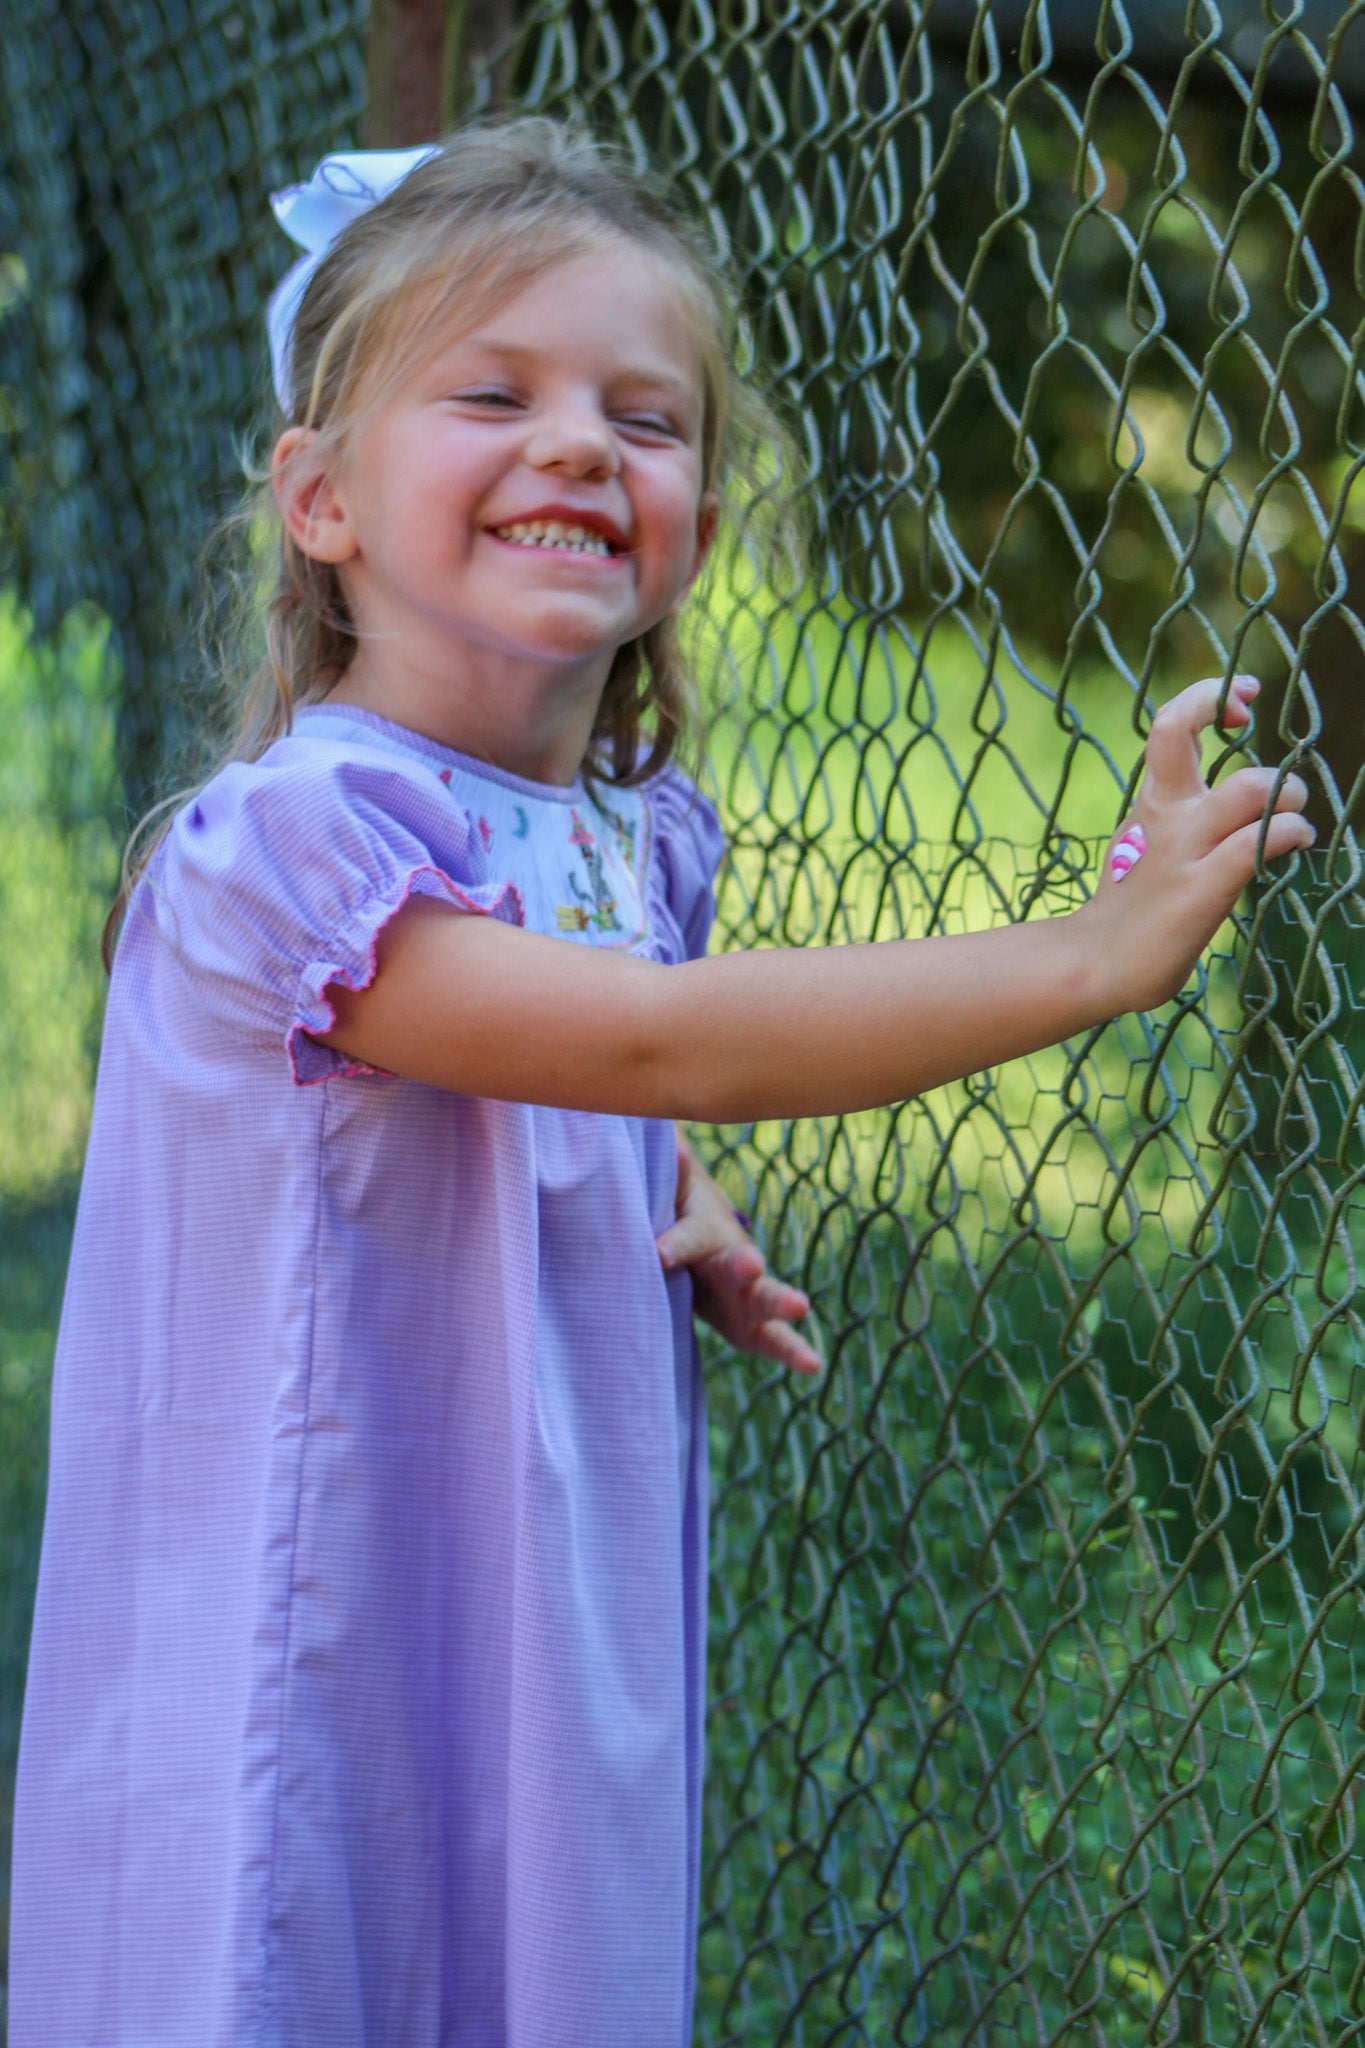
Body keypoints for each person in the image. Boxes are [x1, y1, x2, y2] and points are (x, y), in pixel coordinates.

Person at [8, 119, 1314, 2048]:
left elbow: (607, 1080)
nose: (578, 446)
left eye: (646, 414)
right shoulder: (284, 847)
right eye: (490, 391)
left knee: (514, 1925)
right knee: (300, 1935)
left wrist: (663, 1188)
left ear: (698, 510)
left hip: (534, 1573)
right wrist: (1086, 960)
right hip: (316, 1592)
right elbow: (637, 1034)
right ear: (319, 499)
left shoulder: (629, 837)